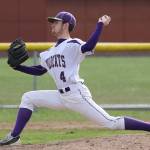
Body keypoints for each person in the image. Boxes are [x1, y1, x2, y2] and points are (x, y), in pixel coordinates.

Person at [1, 11, 150, 146]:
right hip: (61, 96)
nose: (52, 24)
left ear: (65, 25)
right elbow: (39, 71)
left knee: (111, 122)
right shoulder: (48, 53)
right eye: (52, 22)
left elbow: (90, 46)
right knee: (28, 97)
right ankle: (14, 136)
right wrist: (17, 67)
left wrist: (99, 24)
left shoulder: (73, 44)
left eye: (56, 22)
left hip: (77, 94)